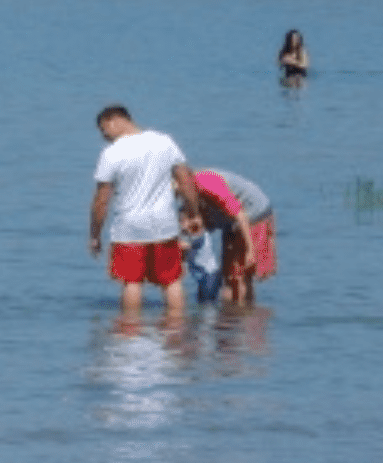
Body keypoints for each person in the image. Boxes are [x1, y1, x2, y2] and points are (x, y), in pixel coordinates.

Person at [89, 106, 201, 315]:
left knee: (132, 282)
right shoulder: (164, 142)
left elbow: (101, 200)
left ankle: (131, 332)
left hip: (129, 229)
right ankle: (176, 330)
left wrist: (95, 235)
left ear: (113, 121)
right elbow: (185, 180)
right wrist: (194, 213)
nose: (104, 137)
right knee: (171, 280)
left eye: (103, 130)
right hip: (164, 225)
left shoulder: (112, 153)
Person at [189, 168, 276, 305]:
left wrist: (250, 250)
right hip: (231, 220)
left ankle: (244, 317)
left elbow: (240, 215)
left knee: (241, 277)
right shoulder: (188, 193)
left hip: (253, 213)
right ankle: (233, 317)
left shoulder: (205, 183)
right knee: (230, 276)